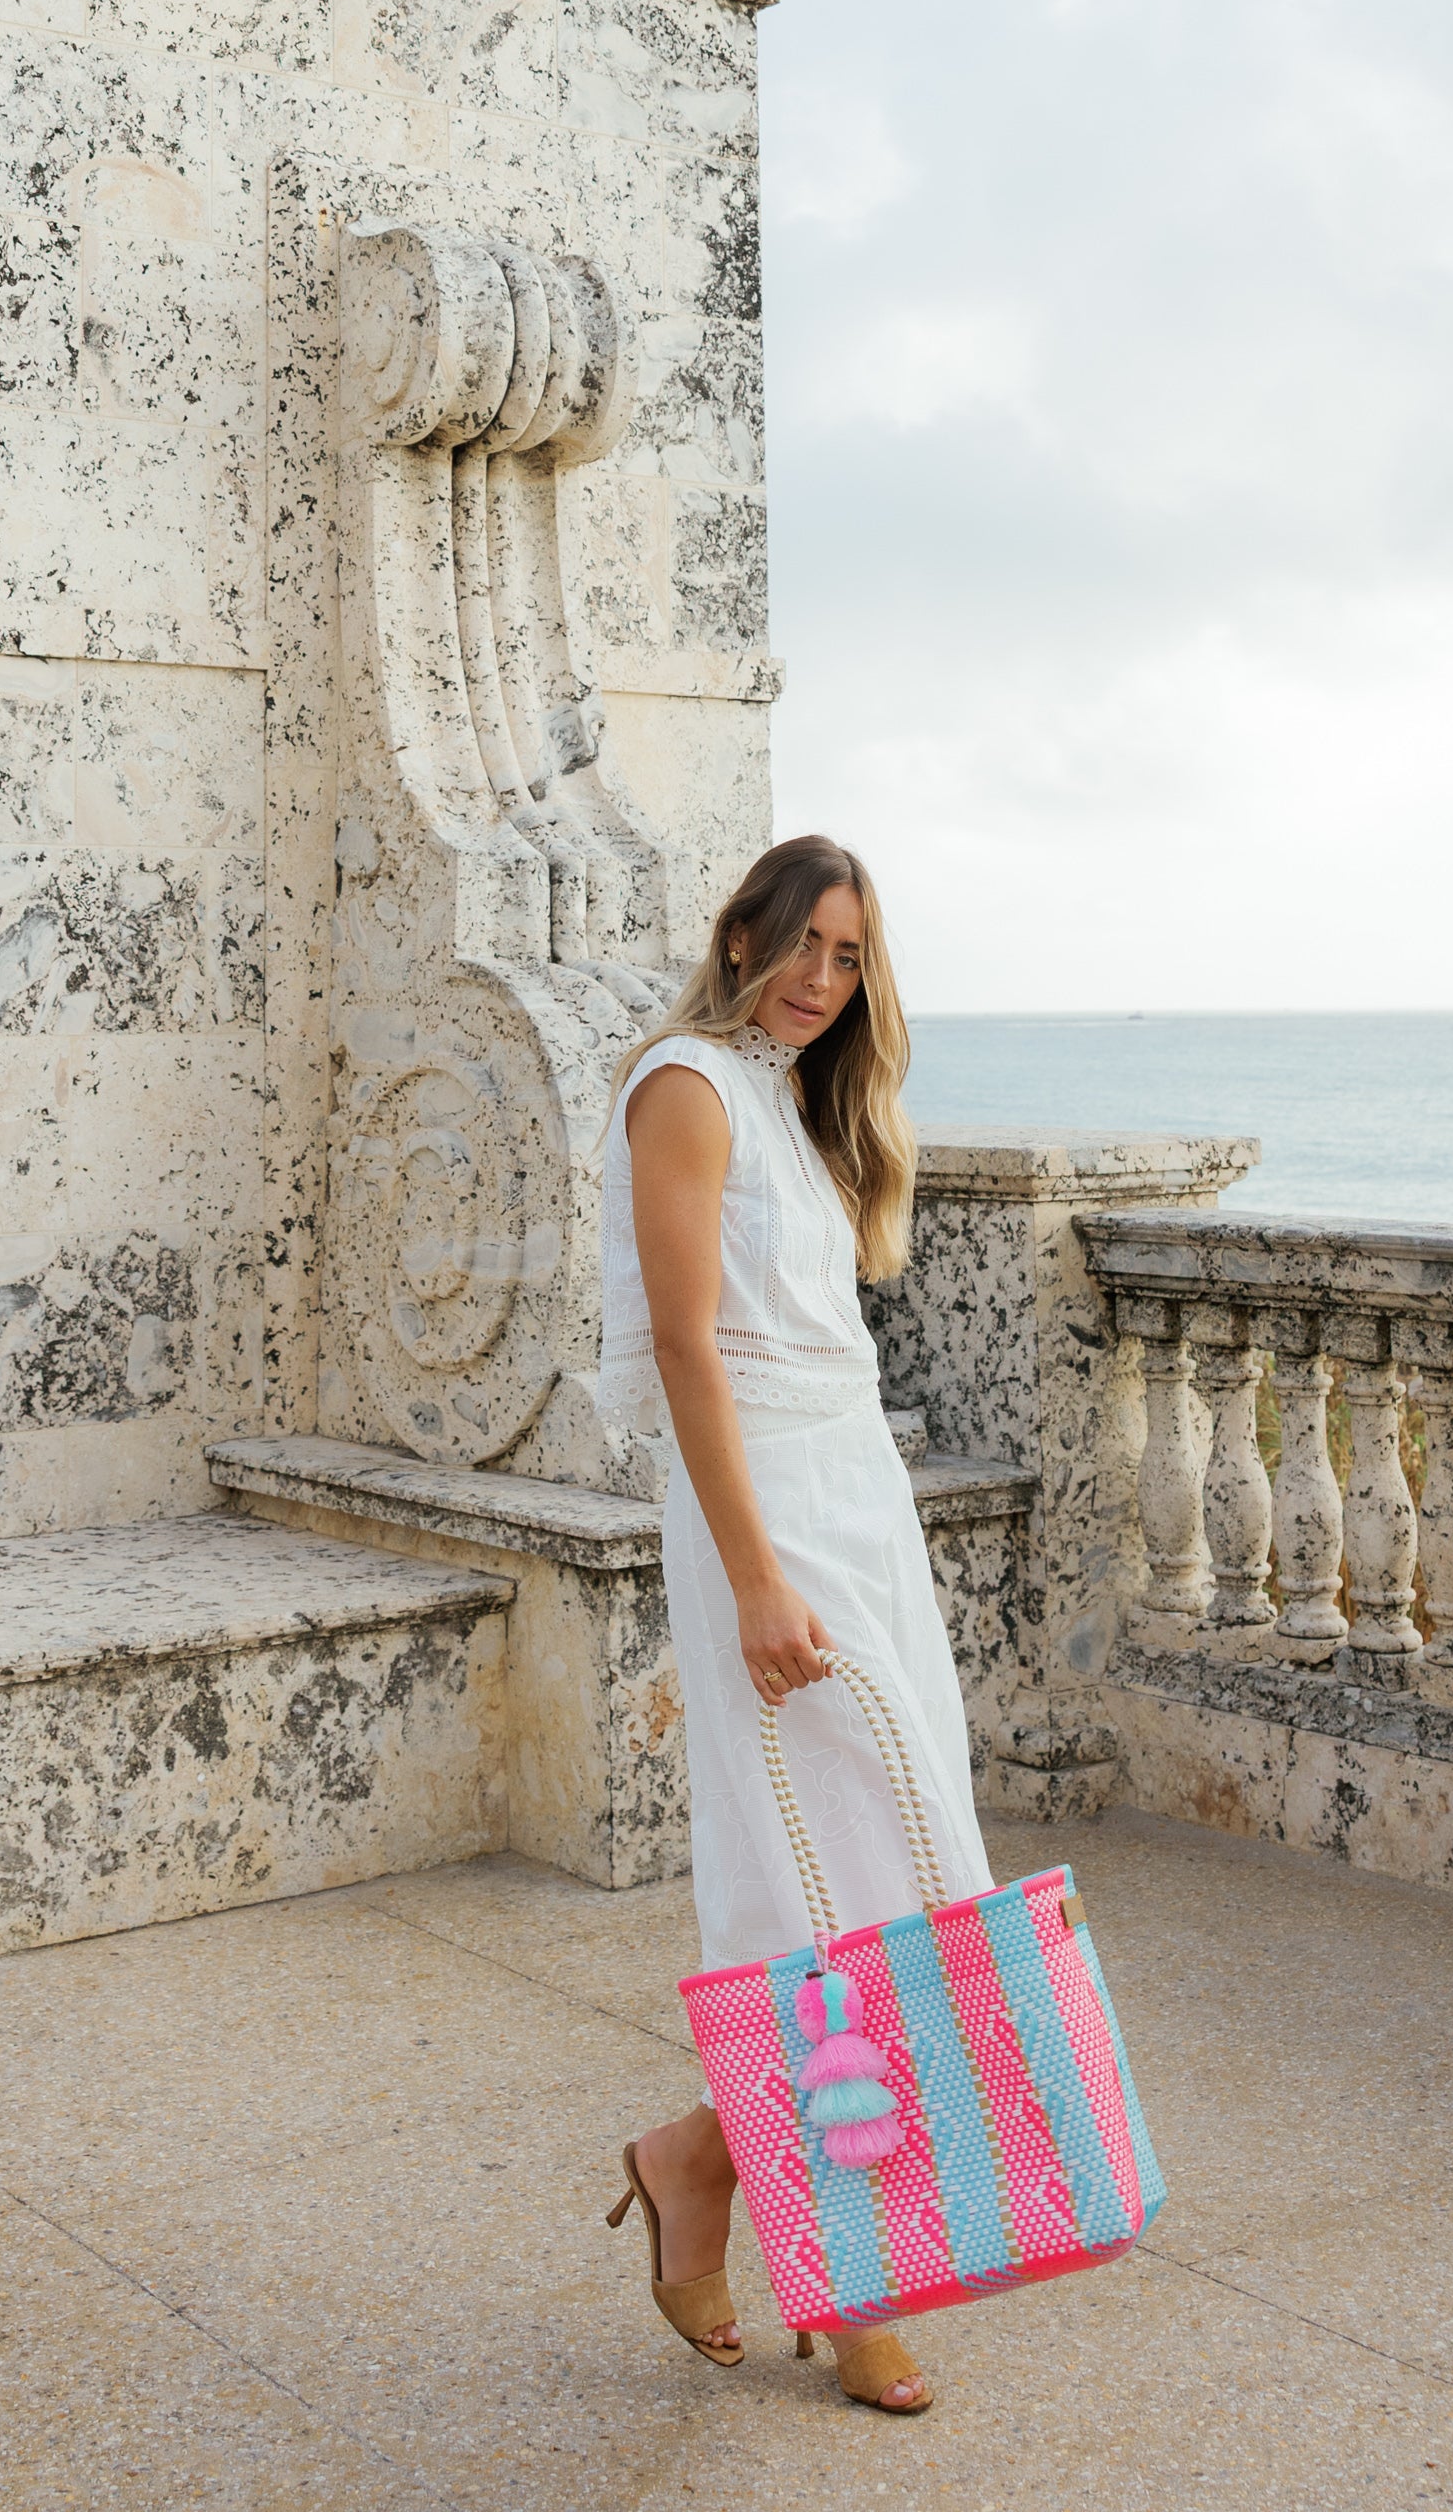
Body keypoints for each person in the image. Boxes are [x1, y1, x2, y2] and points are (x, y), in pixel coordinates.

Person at [597, 834, 992, 2418]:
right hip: (764, 1520)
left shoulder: (793, 1104)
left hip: (856, 1502)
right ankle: (858, 2277)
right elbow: (692, 1352)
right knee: (815, 1890)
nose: (827, 980)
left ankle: (695, 2159)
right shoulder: (684, 1084)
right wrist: (757, 1575)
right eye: (808, 946)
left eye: (852, 956)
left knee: (907, 1869)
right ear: (744, 934)